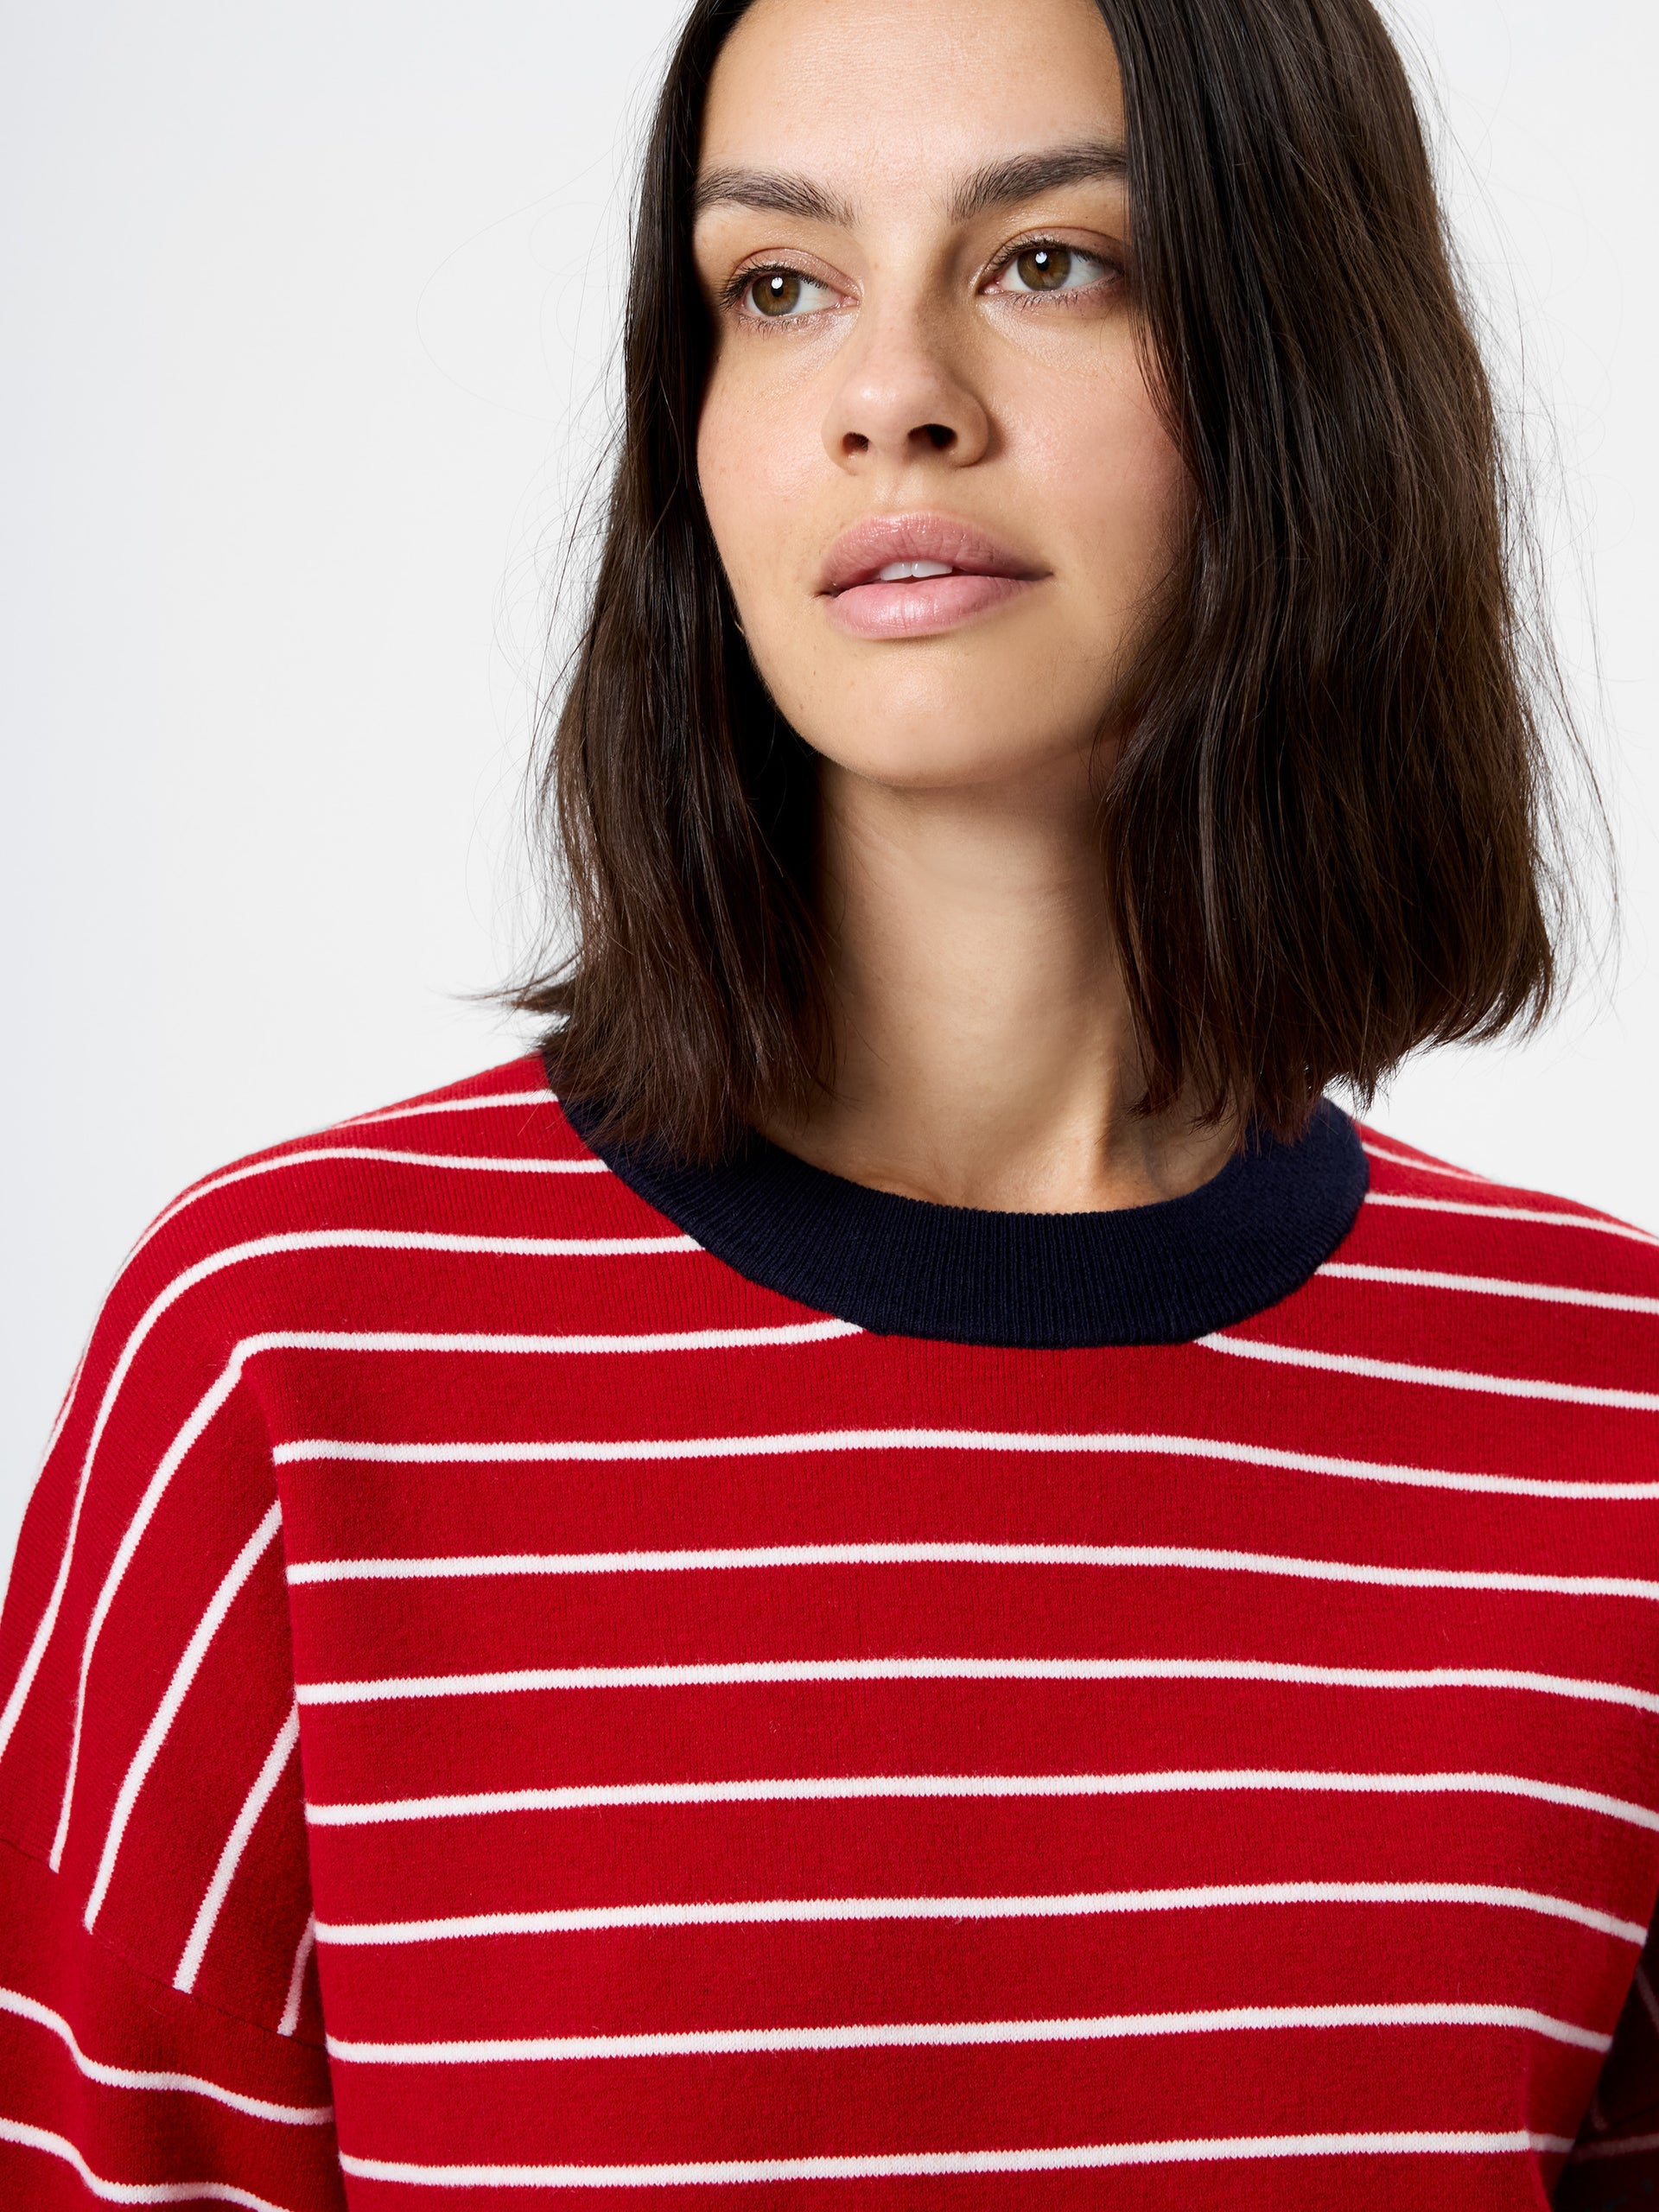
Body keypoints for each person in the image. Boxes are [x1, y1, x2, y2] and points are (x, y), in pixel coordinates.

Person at [0, 0, 1653, 2202]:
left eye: (1052, 260)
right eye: (779, 286)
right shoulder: (289, 1358)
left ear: (1310, 362)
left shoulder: (1612, 1412)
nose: (893, 395)